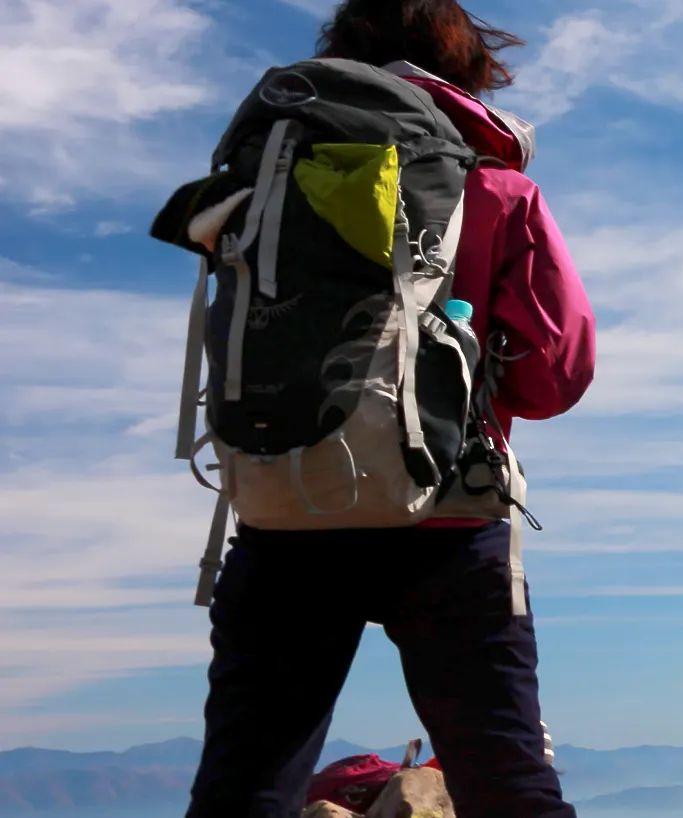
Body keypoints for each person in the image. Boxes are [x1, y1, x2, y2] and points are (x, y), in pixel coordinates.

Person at [183, 1, 596, 816]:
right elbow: (557, 376)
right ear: (467, 70)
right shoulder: (494, 189)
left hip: (285, 505)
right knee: (507, 784)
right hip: (449, 517)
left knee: (246, 785)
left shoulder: (265, 187)